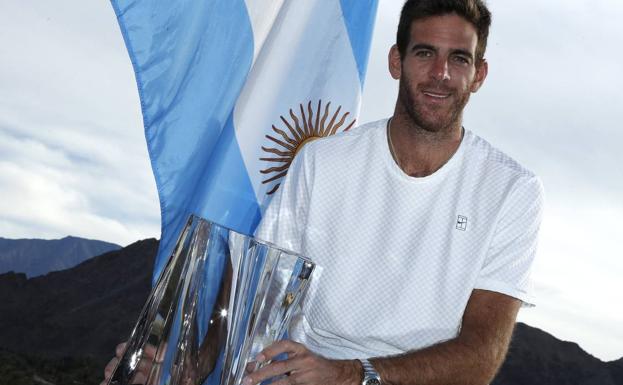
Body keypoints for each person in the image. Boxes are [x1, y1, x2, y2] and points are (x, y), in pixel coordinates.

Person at [246, 1, 544, 385]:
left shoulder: (511, 190)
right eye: (425, 53)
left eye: (459, 59)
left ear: (479, 75)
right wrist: (193, 361)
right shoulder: (323, 161)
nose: (441, 74)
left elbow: (481, 354)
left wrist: (353, 376)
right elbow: (261, 293)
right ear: (395, 61)